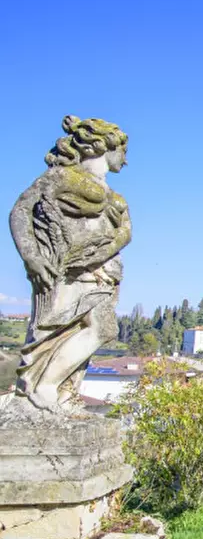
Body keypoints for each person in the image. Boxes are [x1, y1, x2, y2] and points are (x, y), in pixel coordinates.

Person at [8, 116, 131, 410]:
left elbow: (126, 232)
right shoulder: (61, 177)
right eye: (123, 152)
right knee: (62, 329)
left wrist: (100, 252)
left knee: (103, 329)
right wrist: (32, 257)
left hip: (97, 273)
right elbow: (20, 211)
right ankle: (43, 388)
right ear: (103, 145)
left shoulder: (114, 195)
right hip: (63, 274)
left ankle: (61, 392)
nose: (125, 161)